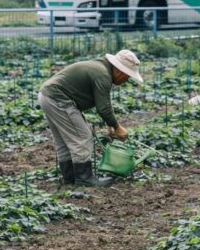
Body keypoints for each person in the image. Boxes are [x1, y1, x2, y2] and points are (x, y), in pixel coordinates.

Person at [38, 50, 142, 187]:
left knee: (64, 140)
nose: (126, 80)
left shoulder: (99, 67)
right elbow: (103, 107)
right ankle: (84, 178)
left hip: (47, 96)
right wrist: (117, 127)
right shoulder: (103, 74)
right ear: (119, 70)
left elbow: (100, 104)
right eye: (127, 76)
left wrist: (110, 124)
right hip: (58, 99)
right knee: (83, 136)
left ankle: (70, 177)